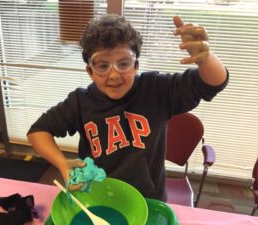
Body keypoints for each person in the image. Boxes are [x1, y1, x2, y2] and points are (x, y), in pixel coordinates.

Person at [27, 14, 228, 202]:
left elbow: (212, 83)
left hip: (148, 199)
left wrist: (206, 59)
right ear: (90, 71)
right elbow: (38, 131)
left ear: (136, 65)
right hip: (99, 196)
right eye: (102, 66)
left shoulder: (157, 89)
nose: (114, 75)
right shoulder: (81, 101)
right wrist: (62, 163)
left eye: (123, 64)